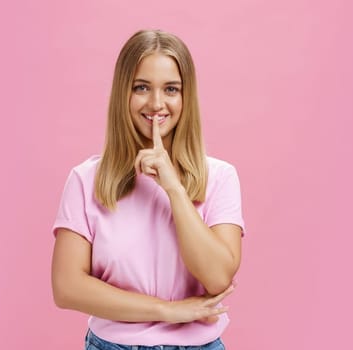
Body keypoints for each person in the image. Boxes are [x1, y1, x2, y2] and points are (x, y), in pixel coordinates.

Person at [50, 29, 246, 350]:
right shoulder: (86, 180)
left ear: (186, 97)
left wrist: (174, 188)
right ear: (123, 93)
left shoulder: (221, 177)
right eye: (141, 87)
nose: (156, 103)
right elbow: (67, 287)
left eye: (171, 89)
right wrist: (168, 311)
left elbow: (217, 277)